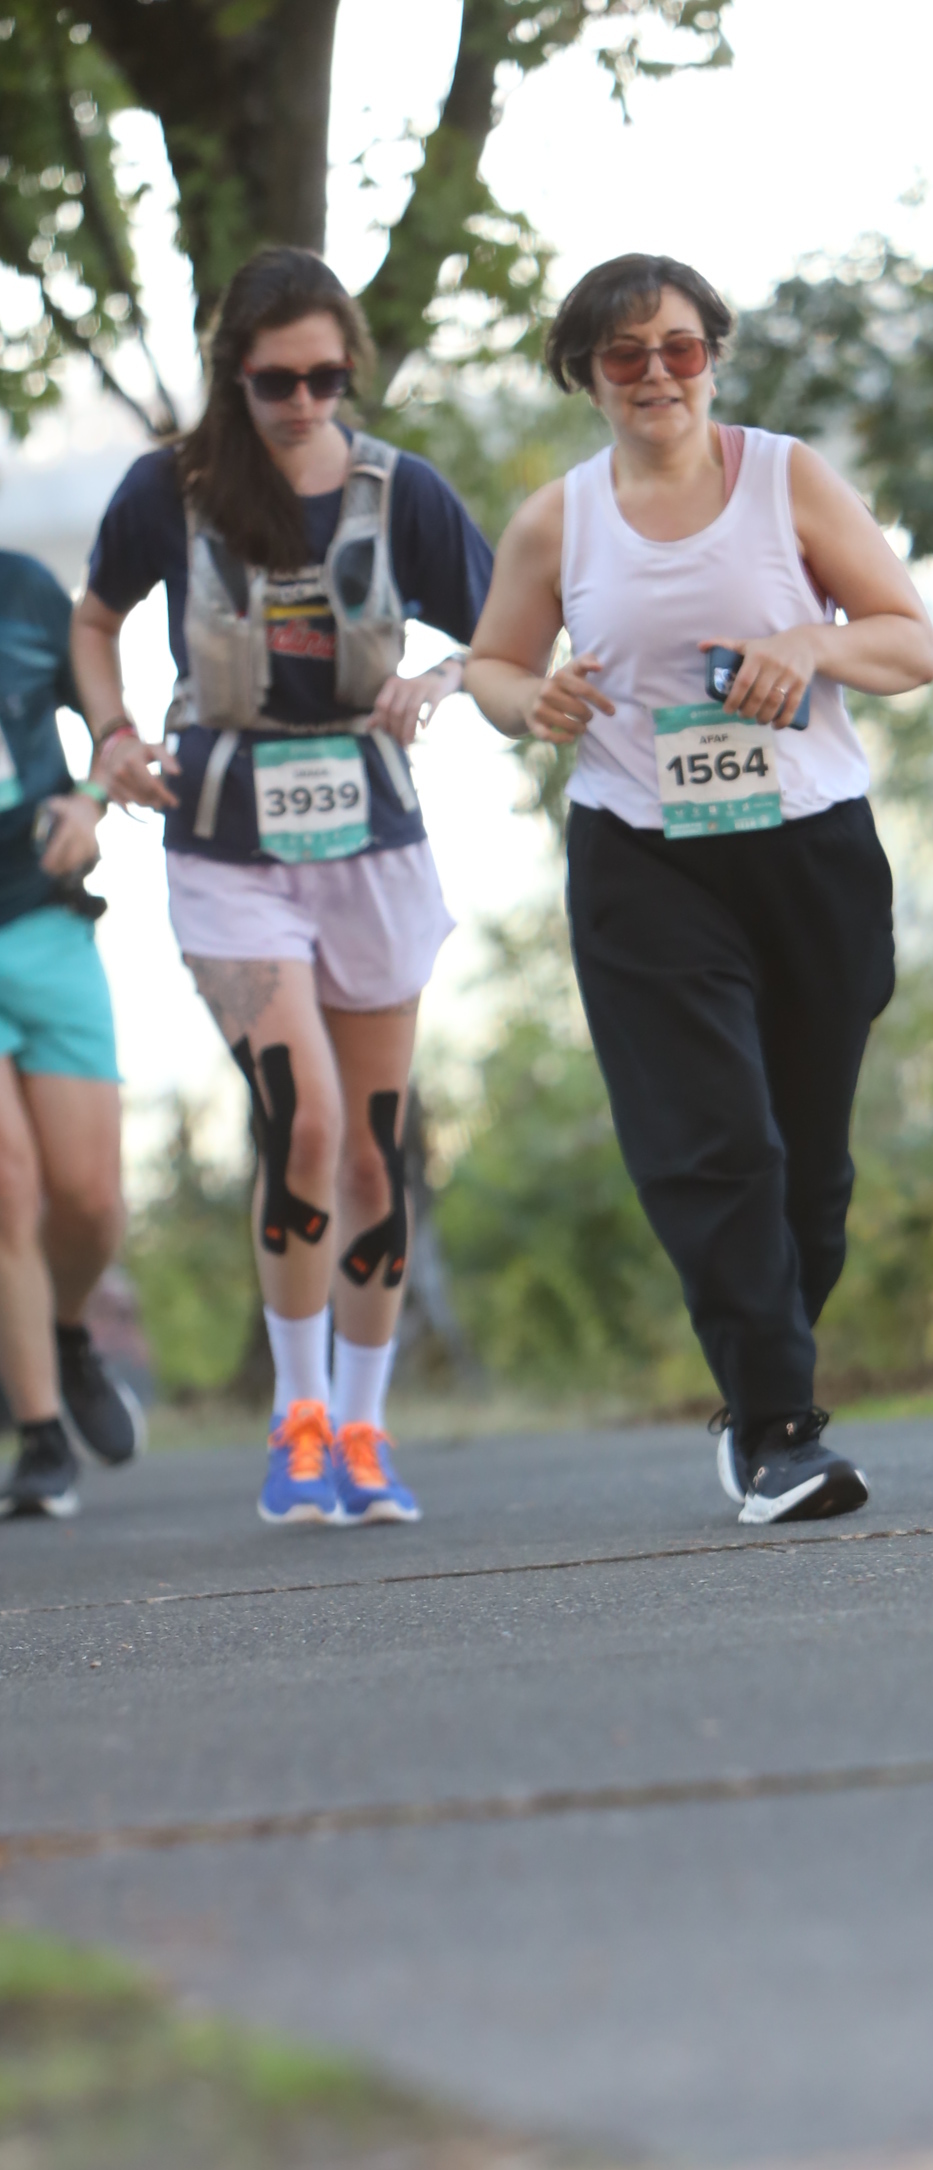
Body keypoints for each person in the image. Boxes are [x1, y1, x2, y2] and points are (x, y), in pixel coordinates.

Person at [465, 256, 933, 1525]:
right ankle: (781, 1430)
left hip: (808, 850)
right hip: (643, 856)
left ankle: (755, 1393)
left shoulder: (785, 479)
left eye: (678, 348)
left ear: (713, 358)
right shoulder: (558, 520)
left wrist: (809, 642)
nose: (656, 375)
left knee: (809, 1178)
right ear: (586, 376)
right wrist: (532, 698)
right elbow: (492, 665)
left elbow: (908, 640)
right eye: (624, 355)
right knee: (714, 1141)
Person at [75, 246, 491, 1529]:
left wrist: (440, 677)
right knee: (301, 1125)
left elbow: (508, 632)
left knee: (370, 1151)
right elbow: (95, 619)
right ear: (233, 377)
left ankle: (363, 1430)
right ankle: (296, 1420)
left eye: (325, 377)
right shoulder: (170, 491)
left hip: (373, 845)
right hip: (226, 845)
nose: (304, 403)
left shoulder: (398, 491)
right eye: (275, 382)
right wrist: (111, 734)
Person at [0, 541, 135, 1517]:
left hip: (46, 918)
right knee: (7, 1185)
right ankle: (41, 1433)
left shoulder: (24, 590)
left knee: (89, 1199)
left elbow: (109, 728)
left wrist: (91, 801)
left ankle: (66, 1328)